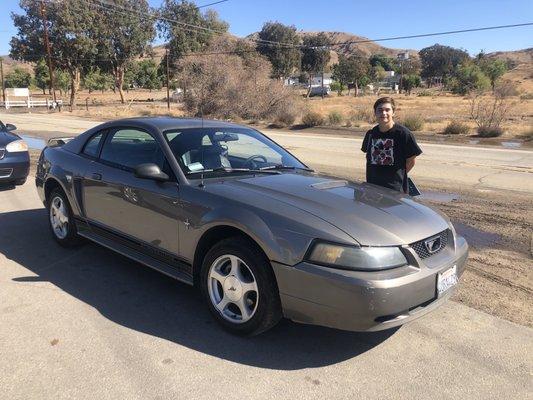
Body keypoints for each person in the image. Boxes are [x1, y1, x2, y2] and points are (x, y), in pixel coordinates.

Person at [361, 96, 422, 193]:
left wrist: (395, 178)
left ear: (393, 112)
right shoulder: (371, 134)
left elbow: (411, 161)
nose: (383, 113)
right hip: (372, 189)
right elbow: (369, 158)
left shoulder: (403, 134)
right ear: (375, 113)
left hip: (395, 191)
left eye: (387, 110)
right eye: (380, 110)